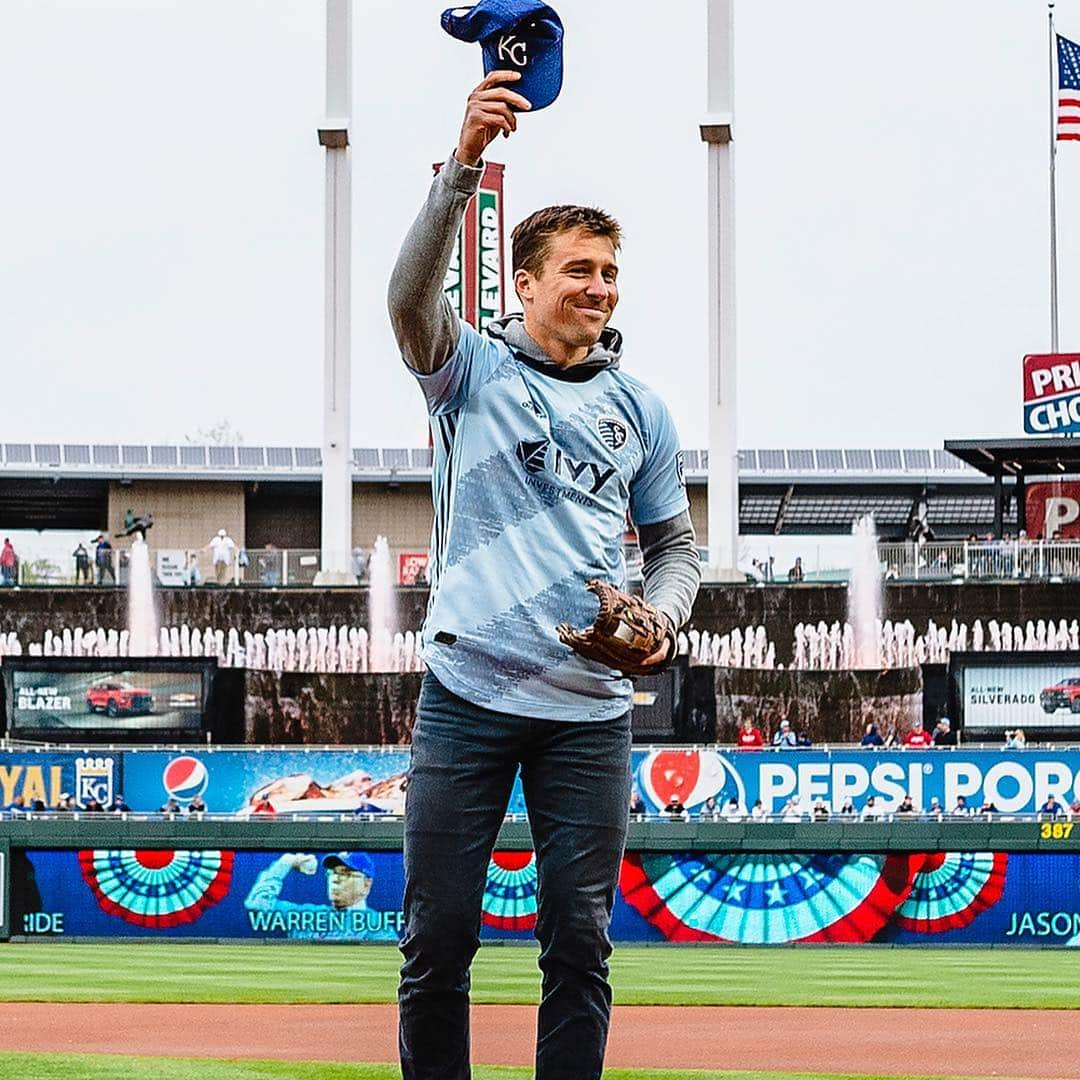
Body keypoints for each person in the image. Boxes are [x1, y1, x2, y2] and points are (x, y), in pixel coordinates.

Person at [388, 69, 700, 1080]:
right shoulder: (466, 368)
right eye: (577, 269)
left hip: (590, 710)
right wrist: (464, 163)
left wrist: (658, 620)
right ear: (524, 284)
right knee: (438, 943)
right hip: (467, 692)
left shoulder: (642, 411)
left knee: (579, 941)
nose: (598, 287)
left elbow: (677, 552)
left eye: (609, 270)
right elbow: (406, 297)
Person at [244, 851, 401, 942]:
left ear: (366, 884)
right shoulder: (308, 915)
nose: (335, 878)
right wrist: (286, 862)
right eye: (332, 873)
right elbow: (257, 905)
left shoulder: (377, 926)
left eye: (345, 873)